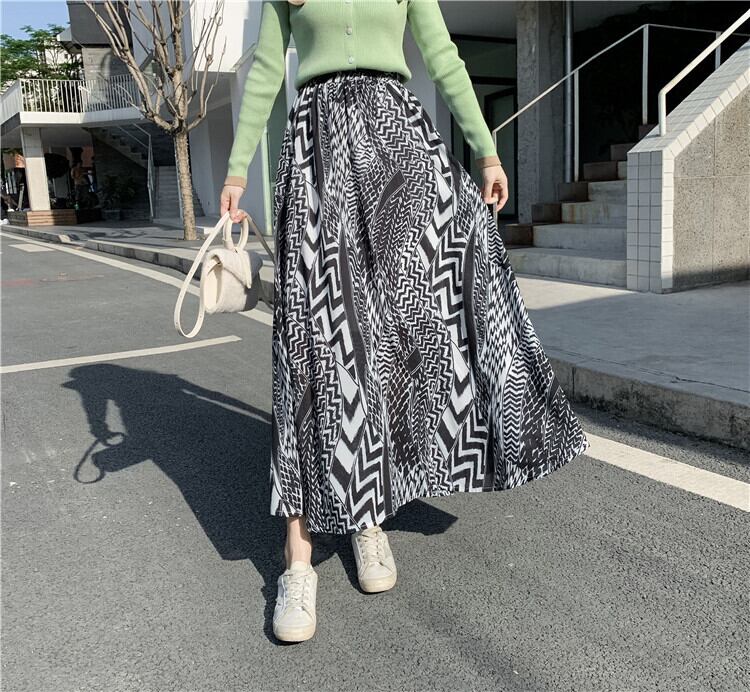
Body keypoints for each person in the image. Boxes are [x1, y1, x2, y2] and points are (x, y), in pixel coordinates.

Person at [220, 0, 590, 643]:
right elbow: (265, 70)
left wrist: (487, 151)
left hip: (398, 142)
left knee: (393, 334)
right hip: (317, 150)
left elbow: (442, 55)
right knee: (310, 341)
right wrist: (236, 166)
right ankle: (298, 557)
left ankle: (368, 515)